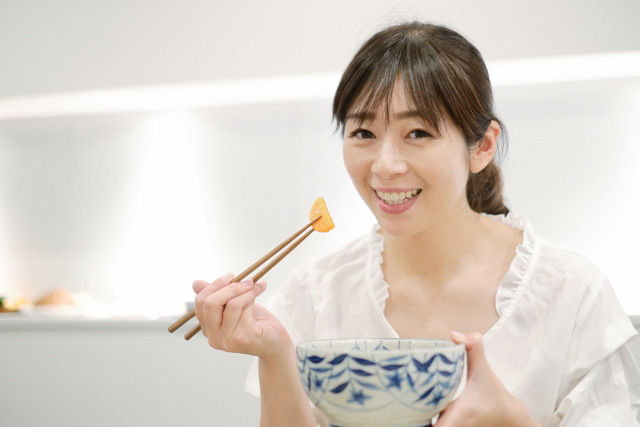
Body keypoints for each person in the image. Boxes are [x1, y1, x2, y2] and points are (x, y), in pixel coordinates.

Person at [191, 22, 640, 426]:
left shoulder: (572, 295)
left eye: (418, 134)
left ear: (482, 146)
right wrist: (275, 356)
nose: (385, 166)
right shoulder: (316, 291)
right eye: (363, 133)